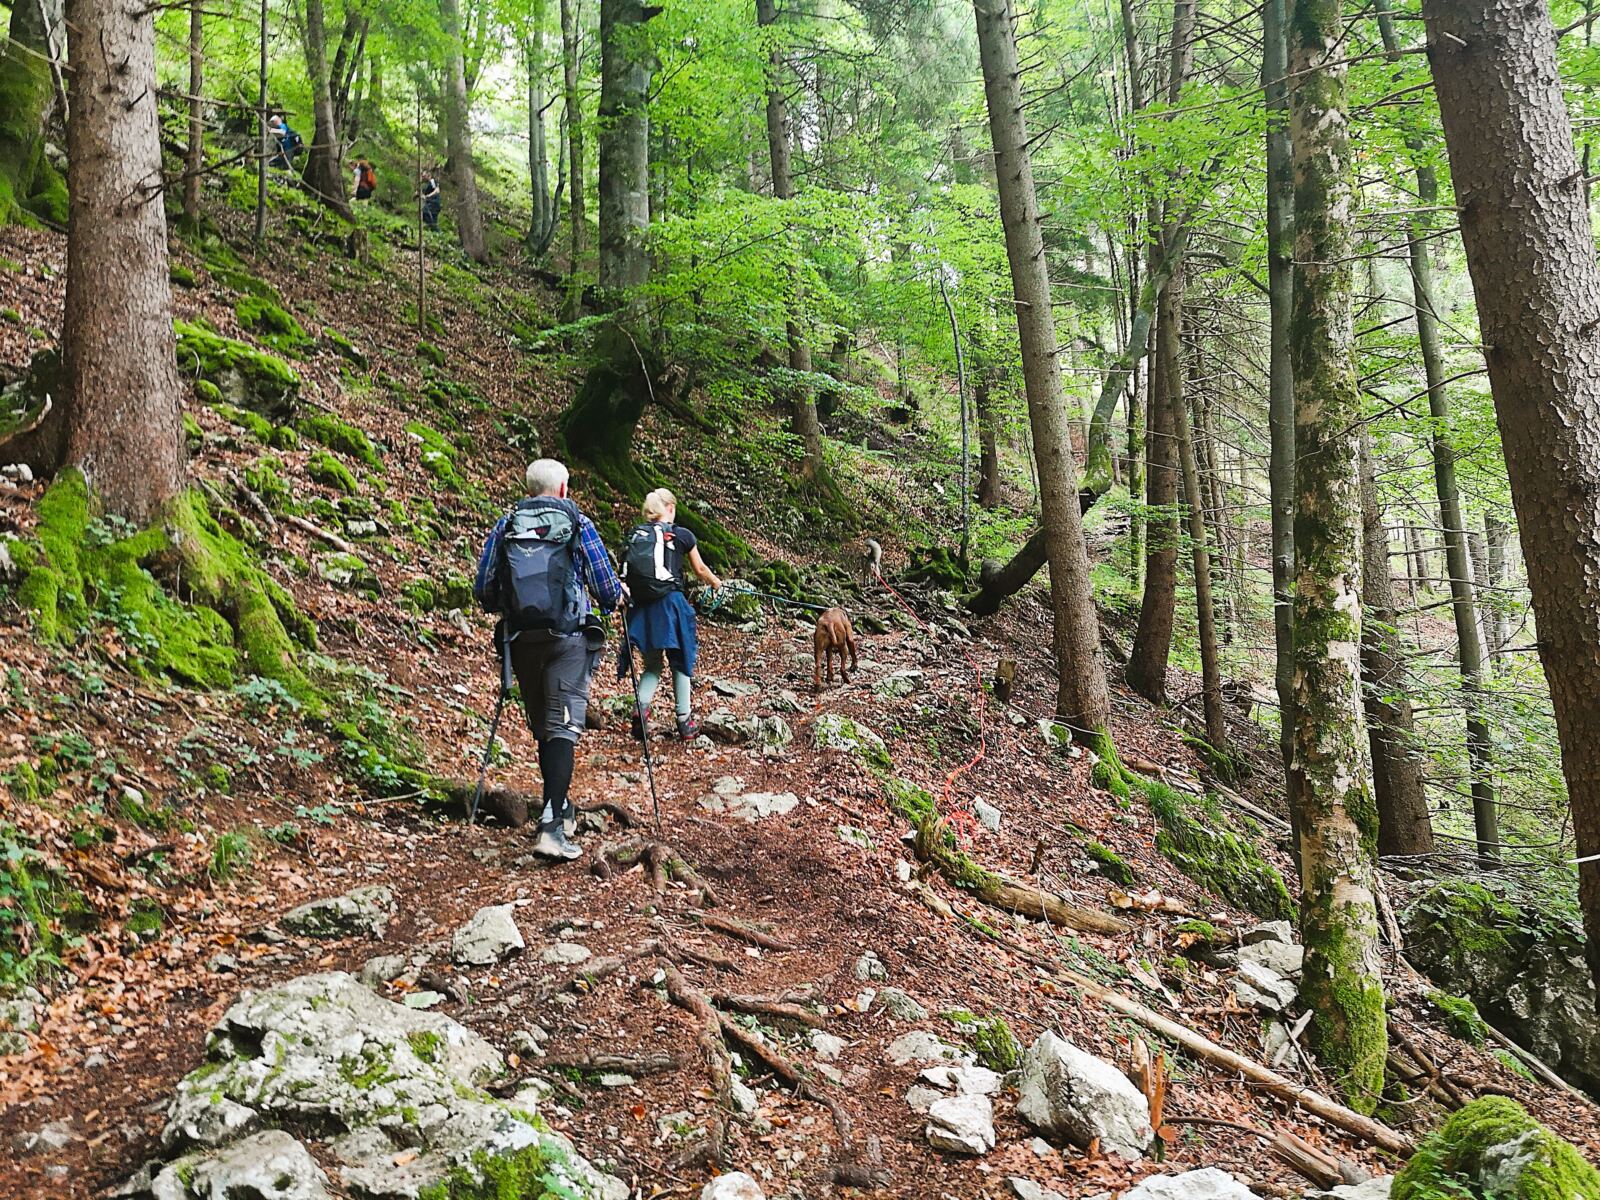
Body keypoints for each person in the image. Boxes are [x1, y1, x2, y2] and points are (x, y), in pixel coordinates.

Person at [473, 459, 623, 861]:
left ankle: (561, 807)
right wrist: (614, 598)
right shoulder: (578, 522)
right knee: (562, 728)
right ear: (562, 489)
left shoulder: (507, 524)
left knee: (545, 728)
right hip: (568, 639)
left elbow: (483, 588)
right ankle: (552, 827)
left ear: (528, 489)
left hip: (522, 640)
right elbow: (607, 590)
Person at [620, 488, 723, 741]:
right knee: (680, 660)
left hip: (642, 608)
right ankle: (684, 721)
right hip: (671, 606)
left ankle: (641, 707)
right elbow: (700, 569)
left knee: (653, 664)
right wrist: (716, 582)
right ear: (670, 508)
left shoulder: (635, 535)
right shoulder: (682, 535)